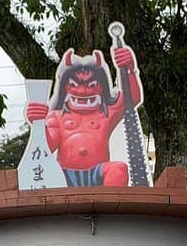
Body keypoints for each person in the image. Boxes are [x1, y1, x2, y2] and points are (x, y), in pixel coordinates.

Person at [25, 43, 143, 187]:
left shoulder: (106, 113)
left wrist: (129, 69)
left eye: (91, 85)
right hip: (64, 174)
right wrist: (38, 123)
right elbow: (47, 147)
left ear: (102, 88)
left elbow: (132, 98)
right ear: (63, 88)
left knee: (118, 170)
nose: (82, 91)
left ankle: (109, 208)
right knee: (47, 174)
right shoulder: (57, 116)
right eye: (73, 85)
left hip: (98, 172)